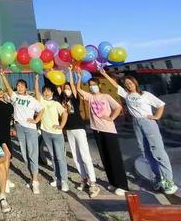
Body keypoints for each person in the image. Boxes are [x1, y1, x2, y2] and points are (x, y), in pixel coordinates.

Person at [99, 68, 178, 195]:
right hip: (136, 123)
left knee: (158, 152)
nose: (129, 85)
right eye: (126, 84)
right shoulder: (127, 95)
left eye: (130, 83)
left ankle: (169, 180)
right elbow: (115, 85)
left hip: (148, 123)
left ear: (135, 83)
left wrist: (156, 116)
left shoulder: (145, 95)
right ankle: (158, 177)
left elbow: (160, 104)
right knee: (146, 152)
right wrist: (105, 74)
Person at [76, 72, 129, 196]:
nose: (92, 87)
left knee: (114, 157)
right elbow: (78, 89)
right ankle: (113, 182)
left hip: (108, 130)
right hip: (97, 130)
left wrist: (111, 118)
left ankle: (123, 185)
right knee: (105, 157)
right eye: (90, 85)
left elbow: (118, 107)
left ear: (99, 86)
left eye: (94, 85)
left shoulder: (106, 96)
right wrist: (78, 78)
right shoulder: (91, 97)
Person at [0, 71, 43, 194]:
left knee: (33, 154)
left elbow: (41, 109)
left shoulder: (31, 99)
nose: (19, 87)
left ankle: (35, 181)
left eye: (22, 86)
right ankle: (32, 178)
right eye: (18, 86)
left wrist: (36, 120)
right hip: (19, 128)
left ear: (26, 88)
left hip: (30, 129)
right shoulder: (15, 97)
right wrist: (3, 76)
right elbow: (8, 89)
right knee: (25, 155)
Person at [60, 66, 100, 197]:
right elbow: (59, 84)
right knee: (76, 157)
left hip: (79, 128)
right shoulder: (63, 100)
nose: (66, 90)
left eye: (68, 89)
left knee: (85, 155)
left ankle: (93, 183)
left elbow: (73, 85)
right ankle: (83, 179)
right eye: (65, 89)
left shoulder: (75, 98)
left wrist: (71, 73)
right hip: (69, 130)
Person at [34, 75, 69, 192]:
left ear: (52, 92)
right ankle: (57, 178)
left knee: (60, 157)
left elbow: (65, 114)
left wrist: (61, 125)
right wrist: (36, 81)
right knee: (53, 157)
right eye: (45, 91)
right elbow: (37, 93)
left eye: (48, 91)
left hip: (57, 134)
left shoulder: (56, 103)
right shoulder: (42, 102)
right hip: (45, 132)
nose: (46, 93)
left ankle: (64, 181)